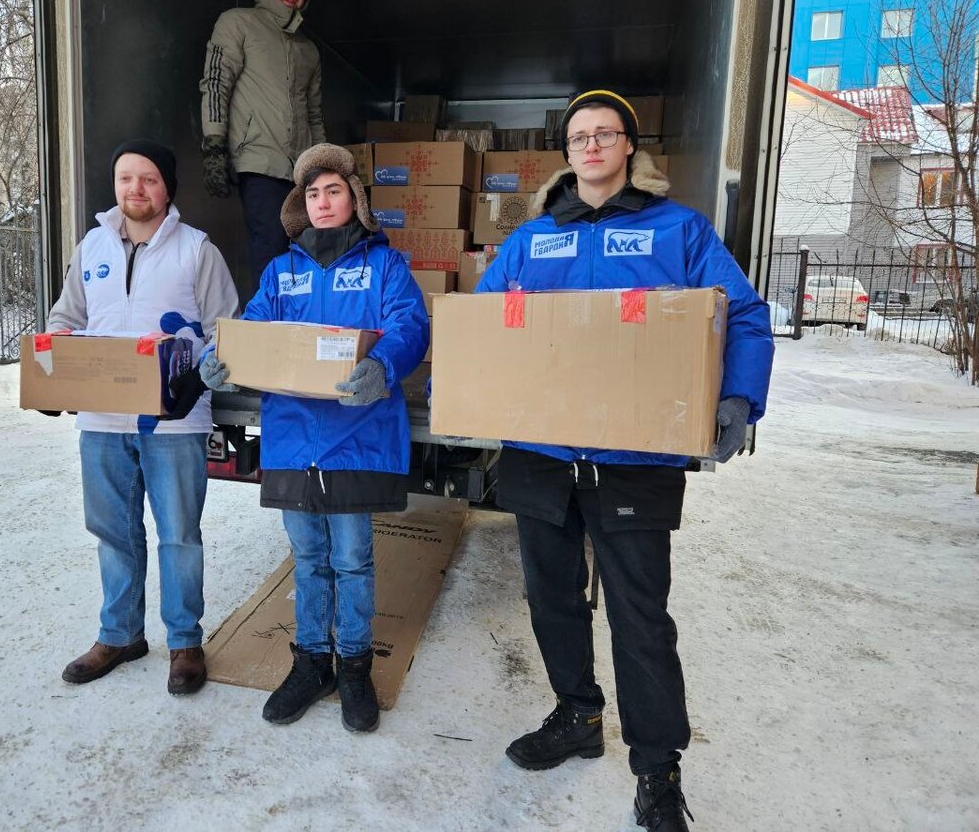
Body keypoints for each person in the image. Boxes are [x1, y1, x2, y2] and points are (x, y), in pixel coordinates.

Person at [474, 90, 774, 831]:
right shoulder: (532, 239)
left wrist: (737, 397)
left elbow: (744, 314)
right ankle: (577, 715)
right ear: (566, 154)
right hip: (541, 454)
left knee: (640, 618)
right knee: (552, 601)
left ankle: (658, 768)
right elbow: (481, 325)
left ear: (629, 148)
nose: (591, 145)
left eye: (605, 133)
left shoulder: (678, 231)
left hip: (634, 457)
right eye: (578, 136)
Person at [199, 143, 429, 733]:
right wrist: (215, 355)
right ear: (300, 205)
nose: (323, 202)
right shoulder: (282, 272)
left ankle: (353, 666)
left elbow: (410, 323)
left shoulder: (384, 266)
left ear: (355, 198)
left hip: (358, 438)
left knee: (352, 559)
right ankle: (310, 664)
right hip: (295, 440)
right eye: (313, 194)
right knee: (307, 558)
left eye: (334, 191)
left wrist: (385, 364)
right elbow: (249, 327)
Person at [46, 139, 239, 696]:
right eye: (126, 178)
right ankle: (121, 634)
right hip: (102, 420)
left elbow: (228, 328)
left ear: (167, 188)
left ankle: (184, 643)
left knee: (179, 534)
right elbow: (67, 316)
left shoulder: (197, 250)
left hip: (175, 420)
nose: (136, 189)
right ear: (116, 185)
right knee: (112, 531)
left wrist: (206, 366)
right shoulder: (90, 247)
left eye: (149, 179)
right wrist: (56, 348)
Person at [199, 0, 324, 281]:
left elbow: (314, 114)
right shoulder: (238, 23)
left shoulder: (308, 50)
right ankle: (263, 329)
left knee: (303, 254)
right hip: (257, 162)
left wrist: (324, 169)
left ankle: (293, 327)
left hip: (299, 170)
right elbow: (215, 82)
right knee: (271, 249)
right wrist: (214, 143)